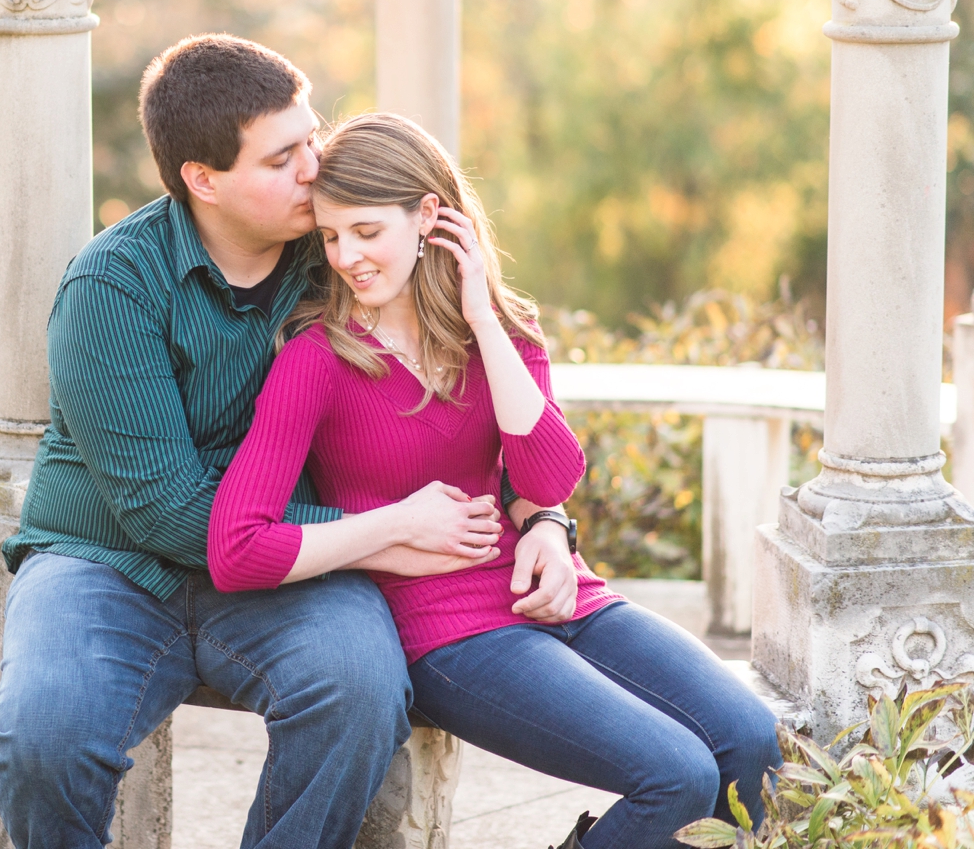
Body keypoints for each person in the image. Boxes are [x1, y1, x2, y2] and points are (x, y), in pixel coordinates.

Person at [0, 35, 583, 848]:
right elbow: (166, 512)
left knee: (360, 691)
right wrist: (386, 535)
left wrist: (543, 517)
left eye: (311, 139)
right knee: (40, 740)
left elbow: (471, 395)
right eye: (281, 159)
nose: (313, 168)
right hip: (107, 560)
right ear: (204, 180)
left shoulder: (342, 251)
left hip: (291, 564)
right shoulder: (111, 287)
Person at [207, 112, 783, 849]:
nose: (347, 256)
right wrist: (392, 530)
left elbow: (548, 474)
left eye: (366, 231)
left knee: (754, 749)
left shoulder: (504, 332)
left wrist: (481, 317)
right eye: (330, 235)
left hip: (562, 594)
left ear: (428, 218)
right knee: (676, 777)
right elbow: (236, 547)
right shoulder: (317, 359)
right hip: (448, 629)